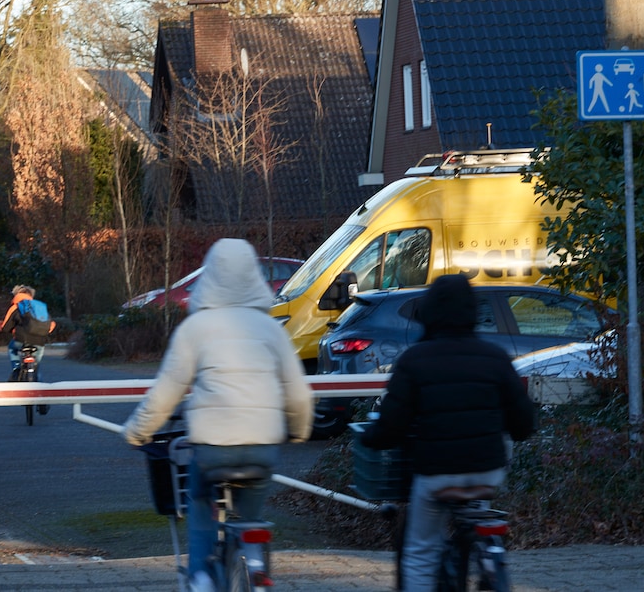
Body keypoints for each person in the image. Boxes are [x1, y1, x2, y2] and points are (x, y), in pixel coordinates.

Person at [121, 238, 313, 592]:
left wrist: (137, 431)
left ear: (209, 276)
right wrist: (299, 430)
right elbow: (298, 392)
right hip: (261, 448)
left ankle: (201, 577)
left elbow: (166, 392)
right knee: (251, 515)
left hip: (212, 450)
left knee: (198, 500)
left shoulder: (196, 329)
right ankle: (254, 562)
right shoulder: (270, 328)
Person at [359, 274, 536, 591]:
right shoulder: (495, 358)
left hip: (437, 477)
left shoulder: (414, 360)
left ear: (430, 312)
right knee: (476, 516)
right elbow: (524, 424)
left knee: (421, 551)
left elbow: (391, 426)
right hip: (487, 473)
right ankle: (487, 562)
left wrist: (371, 437)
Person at [0, 285, 55, 379]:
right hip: (40, 341)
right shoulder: (39, 306)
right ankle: (37, 379)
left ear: (16, 294)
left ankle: (16, 369)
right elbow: (50, 324)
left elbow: (6, 327)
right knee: (36, 367)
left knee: (12, 348)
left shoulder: (16, 306)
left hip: (21, 339)